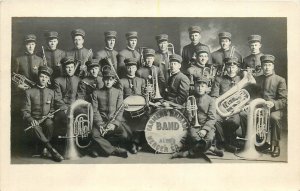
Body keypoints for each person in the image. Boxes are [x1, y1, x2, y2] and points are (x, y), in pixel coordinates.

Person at [172, 77, 222, 159]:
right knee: (195, 137)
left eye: (202, 86)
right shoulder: (190, 98)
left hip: (207, 126)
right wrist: (188, 112)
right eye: (198, 86)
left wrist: (205, 130)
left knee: (209, 139)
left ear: (206, 88)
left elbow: (212, 118)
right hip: (193, 125)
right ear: (194, 87)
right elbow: (184, 116)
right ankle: (212, 149)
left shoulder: (211, 100)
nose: (200, 88)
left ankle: (188, 153)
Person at [21, 66, 64, 162]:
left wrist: (51, 114)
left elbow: (52, 108)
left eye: (46, 77)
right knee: (36, 127)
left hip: (46, 119)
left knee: (50, 124)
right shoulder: (29, 92)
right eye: (42, 76)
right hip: (34, 119)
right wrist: (31, 120)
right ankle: (51, 149)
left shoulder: (51, 92)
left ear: (48, 79)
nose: (43, 79)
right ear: (38, 77)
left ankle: (45, 149)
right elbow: (25, 111)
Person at [90, 67, 133, 158]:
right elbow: (94, 110)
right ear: (103, 80)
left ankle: (102, 147)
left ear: (114, 81)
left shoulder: (118, 92)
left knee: (124, 135)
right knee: (94, 135)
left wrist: (114, 124)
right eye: (106, 79)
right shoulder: (96, 92)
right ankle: (114, 150)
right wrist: (100, 124)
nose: (108, 82)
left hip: (113, 122)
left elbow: (120, 109)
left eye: (111, 79)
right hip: (101, 122)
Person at [254, 54, 287, 157]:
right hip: (260, 107)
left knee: (274, 118)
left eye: (269, 65)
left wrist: (273, 103)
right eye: (264, 65)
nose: (267, 67)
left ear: (273, 66)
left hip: (274, 109)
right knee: (245, 114)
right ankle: (258, 141)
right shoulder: (257, 79)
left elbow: (284, 100)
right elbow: (253, 95)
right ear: (262, 66)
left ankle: (275, 145)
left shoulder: (280, 80)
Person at [210, 57, 244, 153]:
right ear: (225, 68)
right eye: (229, 67)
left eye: (233, 67)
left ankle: (227, 141)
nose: (231, 69)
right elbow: (213, 96)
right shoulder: (219, 79)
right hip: (221, 109)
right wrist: (220, 107)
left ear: (237, 68)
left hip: (235, 110)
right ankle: (223, 143)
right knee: (215, 120)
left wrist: (238, 109)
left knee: (234, 122)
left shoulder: (241, 79)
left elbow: (245, 97)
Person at [120, 58, 146, 153]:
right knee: (126, 124)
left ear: (136, 68)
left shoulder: (141, 81)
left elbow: (144, 96)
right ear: (126, 68)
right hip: (126, 111)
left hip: (140, 110)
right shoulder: (121, 81)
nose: (131, 69)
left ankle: (136, 143)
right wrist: (122, 103)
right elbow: (119, 97)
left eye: (133, 67)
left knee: (144, 119)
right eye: (129, 67)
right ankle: (133, 144)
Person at [53, 57, 81, 136]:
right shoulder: (57, 80)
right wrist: (65, 108)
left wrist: (75, 106)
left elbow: (80, 96)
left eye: (72, 67)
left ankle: (78, 139)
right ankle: (62, 142)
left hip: (76, 106)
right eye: (68, 67)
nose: (70, 69)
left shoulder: (78, 80)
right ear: (64, 68)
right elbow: (57, 97)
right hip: (63, 107)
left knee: (82, 116)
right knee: (59, 118)